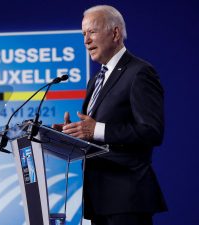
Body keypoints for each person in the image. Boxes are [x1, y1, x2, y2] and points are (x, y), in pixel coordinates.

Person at [53, 5, 167, 225]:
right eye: (83, 34)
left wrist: (95, 129)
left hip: (127, 199)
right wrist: (70, 135)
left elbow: (152, 131)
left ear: (115, 33)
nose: (86, 40)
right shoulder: (95, 80)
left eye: (92, 32)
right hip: (99, 199)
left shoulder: (140, 72)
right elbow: (94, 134)